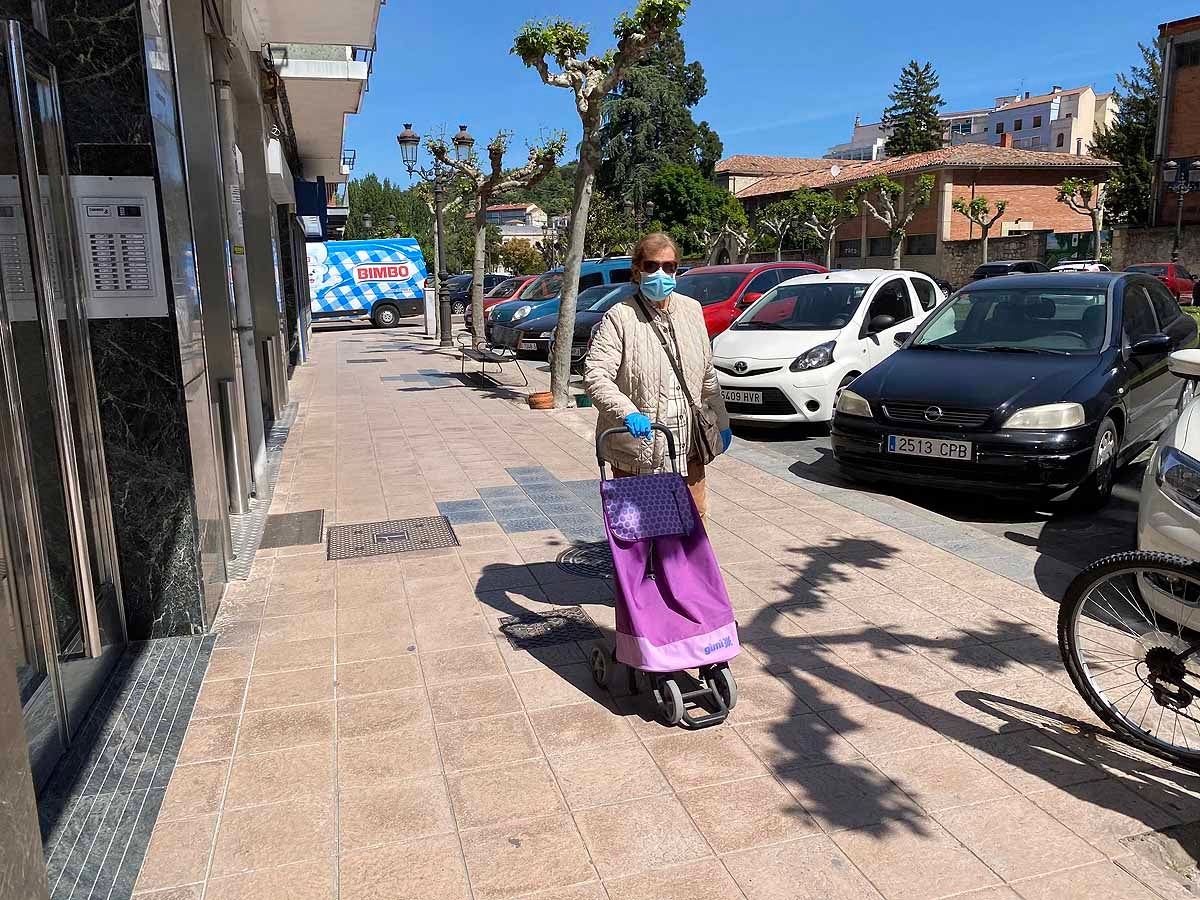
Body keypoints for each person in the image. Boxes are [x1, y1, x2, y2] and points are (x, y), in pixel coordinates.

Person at [583, 232, 731, 520]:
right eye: (652, 266)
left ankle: (679, 568)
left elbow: (707, 375)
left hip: (688, 446)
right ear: (637, 270)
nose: (661, 273)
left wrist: (722, 422)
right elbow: (596, 375)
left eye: (669, 266)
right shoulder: (619, 317)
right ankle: (645, 567)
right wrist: (627, 413)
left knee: (693, 518)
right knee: (643, 527)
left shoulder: (691, 310)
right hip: (639, 448)